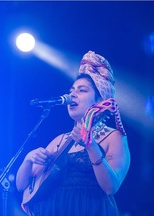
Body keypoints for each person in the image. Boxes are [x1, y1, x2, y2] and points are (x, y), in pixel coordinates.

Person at [16, 51, 131, 216]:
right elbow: (22, 186)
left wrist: (90, 145)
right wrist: (28, 159)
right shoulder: (59, 140)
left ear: (99, 100)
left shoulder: (113, 137)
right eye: (72, 90)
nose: (72, 94)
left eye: (82, 90)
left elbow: (111, 187)